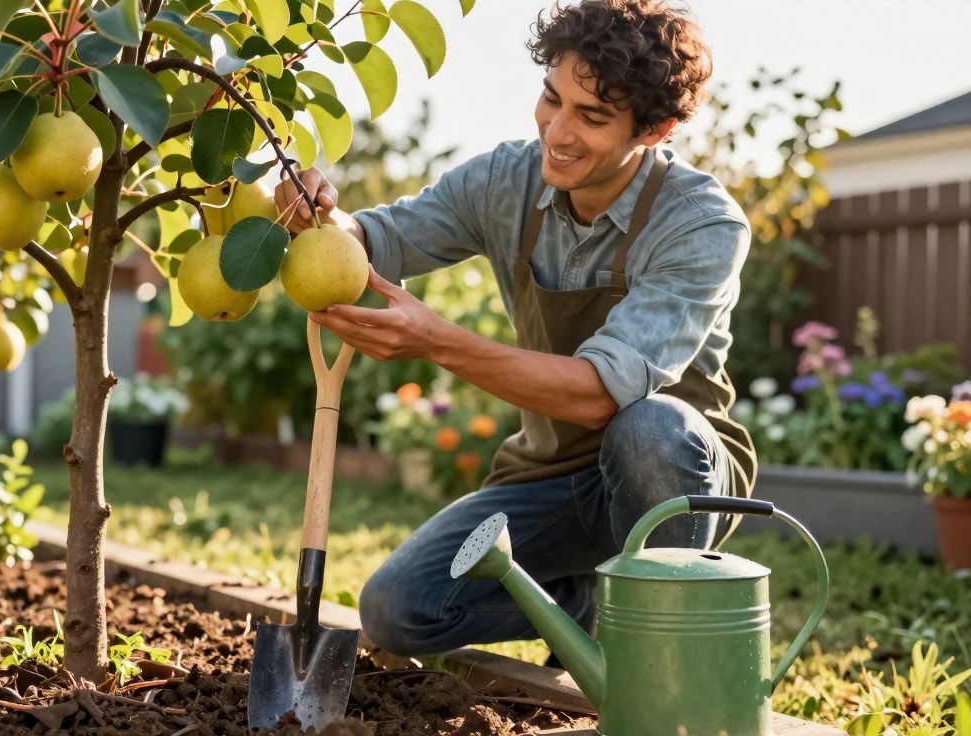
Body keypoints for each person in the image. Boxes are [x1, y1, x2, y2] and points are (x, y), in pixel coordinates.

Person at [273, 0, 757, 657]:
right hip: (550, 473)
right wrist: (323, 218)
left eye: (591, 117)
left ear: (656, 128)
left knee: (648, 431)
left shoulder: (700, 223)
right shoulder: (506, 180)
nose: (556, 132)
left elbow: (597, 394)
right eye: (551, 98)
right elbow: (382, 239)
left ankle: (653, 646)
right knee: (397, 610)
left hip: (669, 476)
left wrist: (435, 340)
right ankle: (581, 603)